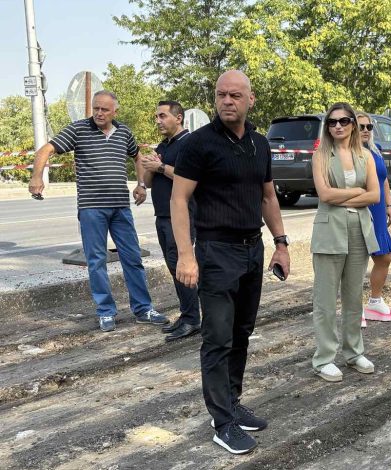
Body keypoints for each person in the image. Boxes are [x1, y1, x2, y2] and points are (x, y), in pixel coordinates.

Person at [171, 70, 291, 455]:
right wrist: (186, 254)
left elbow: (268, 197)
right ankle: (222, 422)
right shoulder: (199, 144)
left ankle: (232, 402)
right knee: (218, 338)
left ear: (250, 100)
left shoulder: (259, 144)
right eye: (221, 94)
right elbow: (178, 200)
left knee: (242, 332)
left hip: (252, 249)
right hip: (215, 252)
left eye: (235, 95)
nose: (227, 101)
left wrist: (281, 244)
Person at [28, 90, 167, 332]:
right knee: (96, 261)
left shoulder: (124, 132)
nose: (99, 113)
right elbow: (45, 150)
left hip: (121, 208)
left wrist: (141, 185)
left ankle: (144, 309)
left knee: (133, 258)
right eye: (96, 108)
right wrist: (36, 177)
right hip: (91, 208)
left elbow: (137, 157)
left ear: (115, 111)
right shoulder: (78, 130)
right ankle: (106, 312)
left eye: (104, 109)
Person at [310, 103, 380, 382]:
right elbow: (325, 195)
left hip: (359, 230)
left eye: (344, 121)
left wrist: (347, 195)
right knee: (325, 300)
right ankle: (324, 358)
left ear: (353, 124)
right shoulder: (321, 156)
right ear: (327, 127)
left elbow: (374, 195)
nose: (337, 126)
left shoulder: (366, 156)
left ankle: (354, 352)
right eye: (332, 122)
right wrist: (357, 191)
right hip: (329, 231)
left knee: (353, 297)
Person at [140, 100, 200, 342]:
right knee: (174, 268)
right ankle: (187, 315)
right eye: (157, 116)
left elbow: (191, 177)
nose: (158, 121)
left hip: (182, 216)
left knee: (182, 267)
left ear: (178, 117)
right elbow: (149, 182)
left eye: (163, 116)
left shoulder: (189, 143)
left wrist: (161, 166)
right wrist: (150, 167)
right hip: (162, 215)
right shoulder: (163, 145)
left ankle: (193, 319)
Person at [356, 111, 391, 326]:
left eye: (369, 127)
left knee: (384, 258)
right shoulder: (349, 154)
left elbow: (384, 180)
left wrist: (389, 204)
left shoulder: (376, 150)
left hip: (379, 211)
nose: (365, 130)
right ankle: (354, 310)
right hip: (361, 210)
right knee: (356, 262)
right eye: (361, 127)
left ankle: (374, 301)